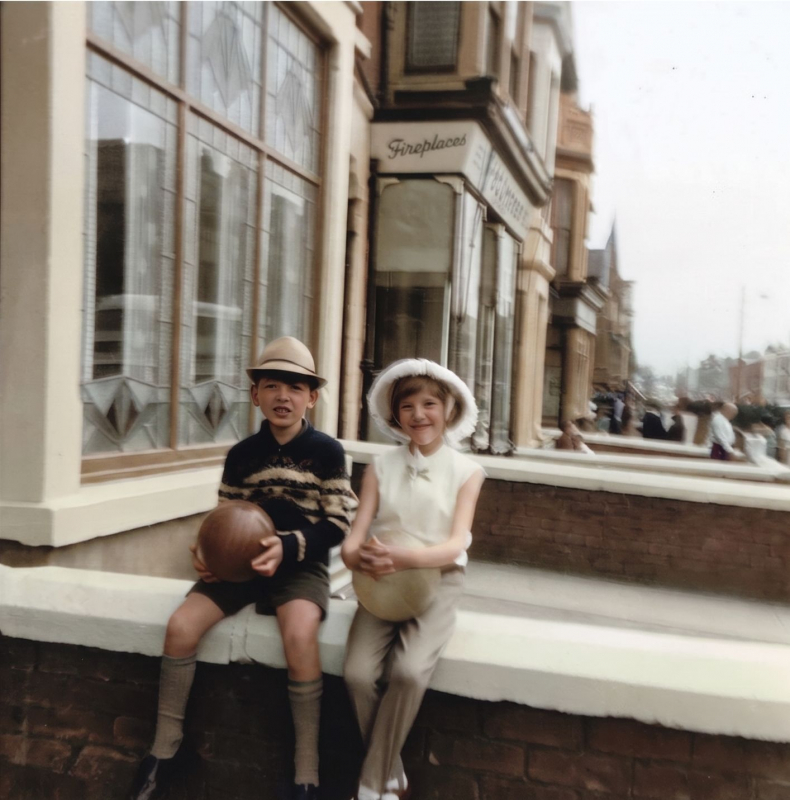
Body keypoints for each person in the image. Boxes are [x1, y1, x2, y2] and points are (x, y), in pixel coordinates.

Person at [130, 337, 357, 800]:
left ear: (312, 397)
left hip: (300, 564)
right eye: (272, 386)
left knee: (299, 636)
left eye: (295, 388)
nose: (283, 397)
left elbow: (338, 523)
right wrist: (206, 551)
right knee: (180, 626)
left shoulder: (327, 452)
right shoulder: (242, 455)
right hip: (243, 566)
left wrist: (292, 545)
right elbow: (224, 516)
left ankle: (307, 772)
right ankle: (165, 751)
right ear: (255, 394)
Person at [342, 359, 485, 800]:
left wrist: (406, 558)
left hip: (439, 579)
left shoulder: (467, 472)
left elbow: (456, 543)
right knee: (357, 674)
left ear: (449, 410)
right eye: (408, 406)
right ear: (395, 415)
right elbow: (352, 542)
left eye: (430, 404)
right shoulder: (379, 466)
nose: (419, 414)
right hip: (381, 581)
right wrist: (362, 558)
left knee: (407, 672)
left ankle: (369, 787)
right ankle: (391, 775)